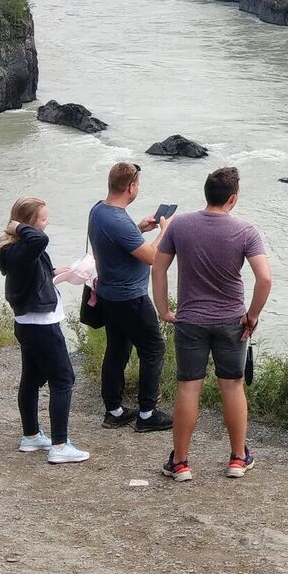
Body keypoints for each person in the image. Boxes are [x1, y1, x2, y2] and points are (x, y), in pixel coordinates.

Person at [151, 166, 272, 481]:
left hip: (190, 319)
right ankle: (237, 458)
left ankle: (180, 463)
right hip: (232, 320)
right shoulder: (246, 231)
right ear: (233, 198)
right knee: (232, 385)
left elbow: (158, 269)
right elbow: (265, 278)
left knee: (188, 388)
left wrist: (164, 309)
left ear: (206, 193)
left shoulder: (180, 226)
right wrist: (252, 314)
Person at [0, 196, 88, 465]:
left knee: (31, 379)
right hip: (42, 325)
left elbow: (29, 274)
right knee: (63, 379)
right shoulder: (27, 244)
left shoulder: (17, 250)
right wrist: (18, 226)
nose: (48, 222)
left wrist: (55, 272)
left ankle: (31, 436)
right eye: (43, 218)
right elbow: (39, 241)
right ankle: (60, 445)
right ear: (30, 223)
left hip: (27, 323)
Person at [88, 162, 173, 433]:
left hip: (108, 295)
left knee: (117, 348)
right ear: (130, 187)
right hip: (130, 298)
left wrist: (140, 228)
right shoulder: (118, 220)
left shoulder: (99, 210)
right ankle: (147, 414)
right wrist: (164, 232)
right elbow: (151, 257)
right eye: (138, 184)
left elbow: (120, 241)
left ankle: (114, 410)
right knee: (153, 349)